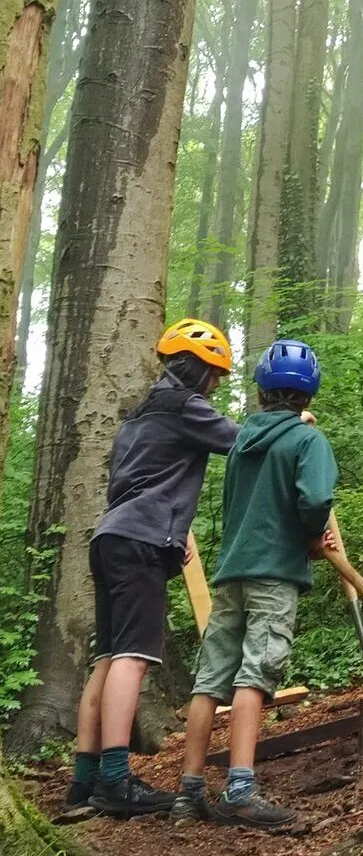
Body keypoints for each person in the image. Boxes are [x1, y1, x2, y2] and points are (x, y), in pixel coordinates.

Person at [67, 320, 238, 818]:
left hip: (111, 537)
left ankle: (84, 780)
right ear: (198, 369)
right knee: (133, 657)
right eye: (216, 374)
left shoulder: (137, 416)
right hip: (140, 541)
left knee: (108, 656)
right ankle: (116, 782)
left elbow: (138, 481)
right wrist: (296, 424)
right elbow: (245, 443)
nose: (218, 384)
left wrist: (174, 528)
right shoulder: (187, 407)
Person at [171, 339, 337, 829]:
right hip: (273, 574)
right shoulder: (309, 441)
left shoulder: (241, 442)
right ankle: (241, 789)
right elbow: (315, 498)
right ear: (308, 394)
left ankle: (189, 792)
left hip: (231, 574)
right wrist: (310, 536)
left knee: (211, 679)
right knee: (256, 673)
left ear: (263, 389)